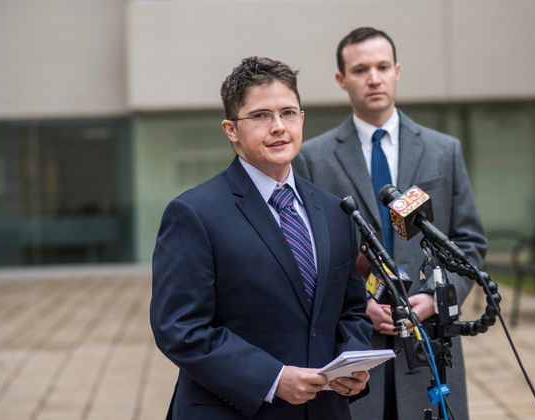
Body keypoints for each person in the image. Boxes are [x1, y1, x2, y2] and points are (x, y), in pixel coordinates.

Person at [150, 56, 374, 420]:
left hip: (323, 411)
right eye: (260, 116)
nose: (278, 127)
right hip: (234, 410)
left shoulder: (336, 212)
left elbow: (350, 307)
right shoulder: (194, 214)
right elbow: (180, 328)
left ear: (302, 119)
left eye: (288, 113)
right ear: (231, 129)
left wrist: (353, 358)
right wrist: (272, 378)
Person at [293, 27, 487, 420]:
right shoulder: (312, 159)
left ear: (397, 71)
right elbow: (307, 258)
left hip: (432, 345)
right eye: (360, 69)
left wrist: (437, 299)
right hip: (355, 346)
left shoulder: (443, 150)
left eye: (382, 66)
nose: (374, 78)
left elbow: (469, 241)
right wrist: (360, 304)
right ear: (341, 79)